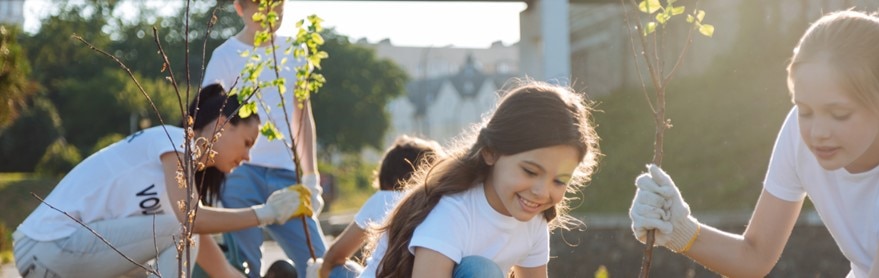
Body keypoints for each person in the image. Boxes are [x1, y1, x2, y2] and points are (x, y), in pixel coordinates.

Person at [629, 10, 879, 278]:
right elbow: (755, 256)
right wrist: (682, 230)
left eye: (839, 114)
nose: (818, 131)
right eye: (805, 110)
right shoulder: (799, 135)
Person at [13, 84, 312, 278]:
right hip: (48, 245)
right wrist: (267, 213)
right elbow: (190, 221)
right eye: (247, 142)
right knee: (180, 230)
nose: (247, 157)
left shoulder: (180, 190)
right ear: (222, 125)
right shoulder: (173, 140)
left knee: (148, 269)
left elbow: (220, 270)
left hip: (56, 257)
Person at [356, 81, 601, 278]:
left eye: (559, 181)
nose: (541, 191)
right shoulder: (453, 211)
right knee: (481, 270)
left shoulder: (534, 219)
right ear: (490, 152)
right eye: (530, 171)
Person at [201, 0, 326, 277]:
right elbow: (209, 120)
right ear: (239, 8)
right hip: (239, 173)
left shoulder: (295, 50)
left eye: (278, 12)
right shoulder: (226, 56)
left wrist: (310, 178)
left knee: (320, 262)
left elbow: (302, 117)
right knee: (245, 266)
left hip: (285, 174)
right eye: (261, 13)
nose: (270, 20)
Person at [307, 135, 443, 278]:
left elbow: (336, 255)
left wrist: (320, 272)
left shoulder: (383, 198)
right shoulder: (441, 203)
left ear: (388, 180)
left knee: (338, 269)